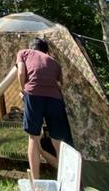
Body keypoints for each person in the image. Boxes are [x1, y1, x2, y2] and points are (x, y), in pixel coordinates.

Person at [16, 38, 72, 180]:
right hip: (55, 98)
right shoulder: (54, 61)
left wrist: (22, 90)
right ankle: (65, 179)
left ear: (31, 47)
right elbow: (61, 83)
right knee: (58, 140)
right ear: (46, 51)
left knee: (34, 138)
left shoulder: (24, 53)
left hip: (34, 94)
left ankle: (36, 181)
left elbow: (21, 72)